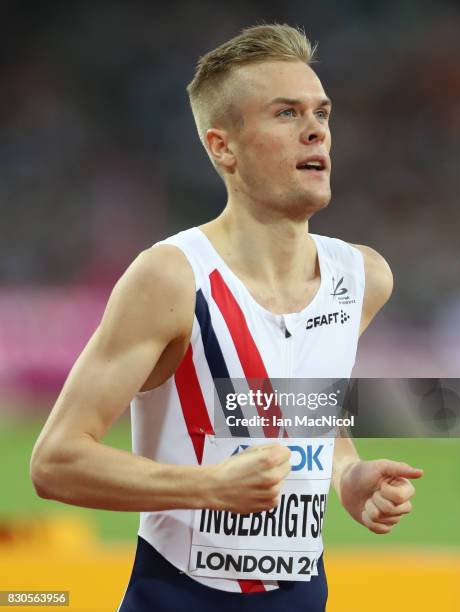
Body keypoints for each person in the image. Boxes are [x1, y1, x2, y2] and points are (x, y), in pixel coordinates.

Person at [30, 24, 423, 612]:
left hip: (302, 597)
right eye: (286, 113)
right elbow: (56, 460)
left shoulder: (362, 278)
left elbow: (303, 406)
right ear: (223, 147)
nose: (316, 129)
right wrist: (208, 488)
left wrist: (347, 474)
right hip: (179, 597)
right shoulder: (171, 277)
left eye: (321, 112)